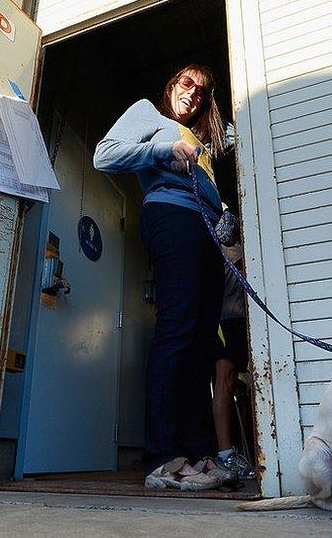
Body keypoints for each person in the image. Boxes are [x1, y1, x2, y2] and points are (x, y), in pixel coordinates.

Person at [94, 64, 229, 490]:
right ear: (172, 85)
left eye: (203, 91)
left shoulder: (201, 142)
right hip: (170, 218)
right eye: (187, 84)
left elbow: (205, 189)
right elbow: (104, 154)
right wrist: (159, 152)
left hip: (205, 232)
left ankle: (198, 451)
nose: (194, 94)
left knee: (201, 343)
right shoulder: (149, 116)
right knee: (177, 330)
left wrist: (225, 217)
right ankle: (163, 457)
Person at [213, 240, 258, 481]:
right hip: (227, 318)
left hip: (248, 316)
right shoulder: (220, 247)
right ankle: (225, 452)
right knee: (225, 378)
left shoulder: (248, 240)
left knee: (253, 380)